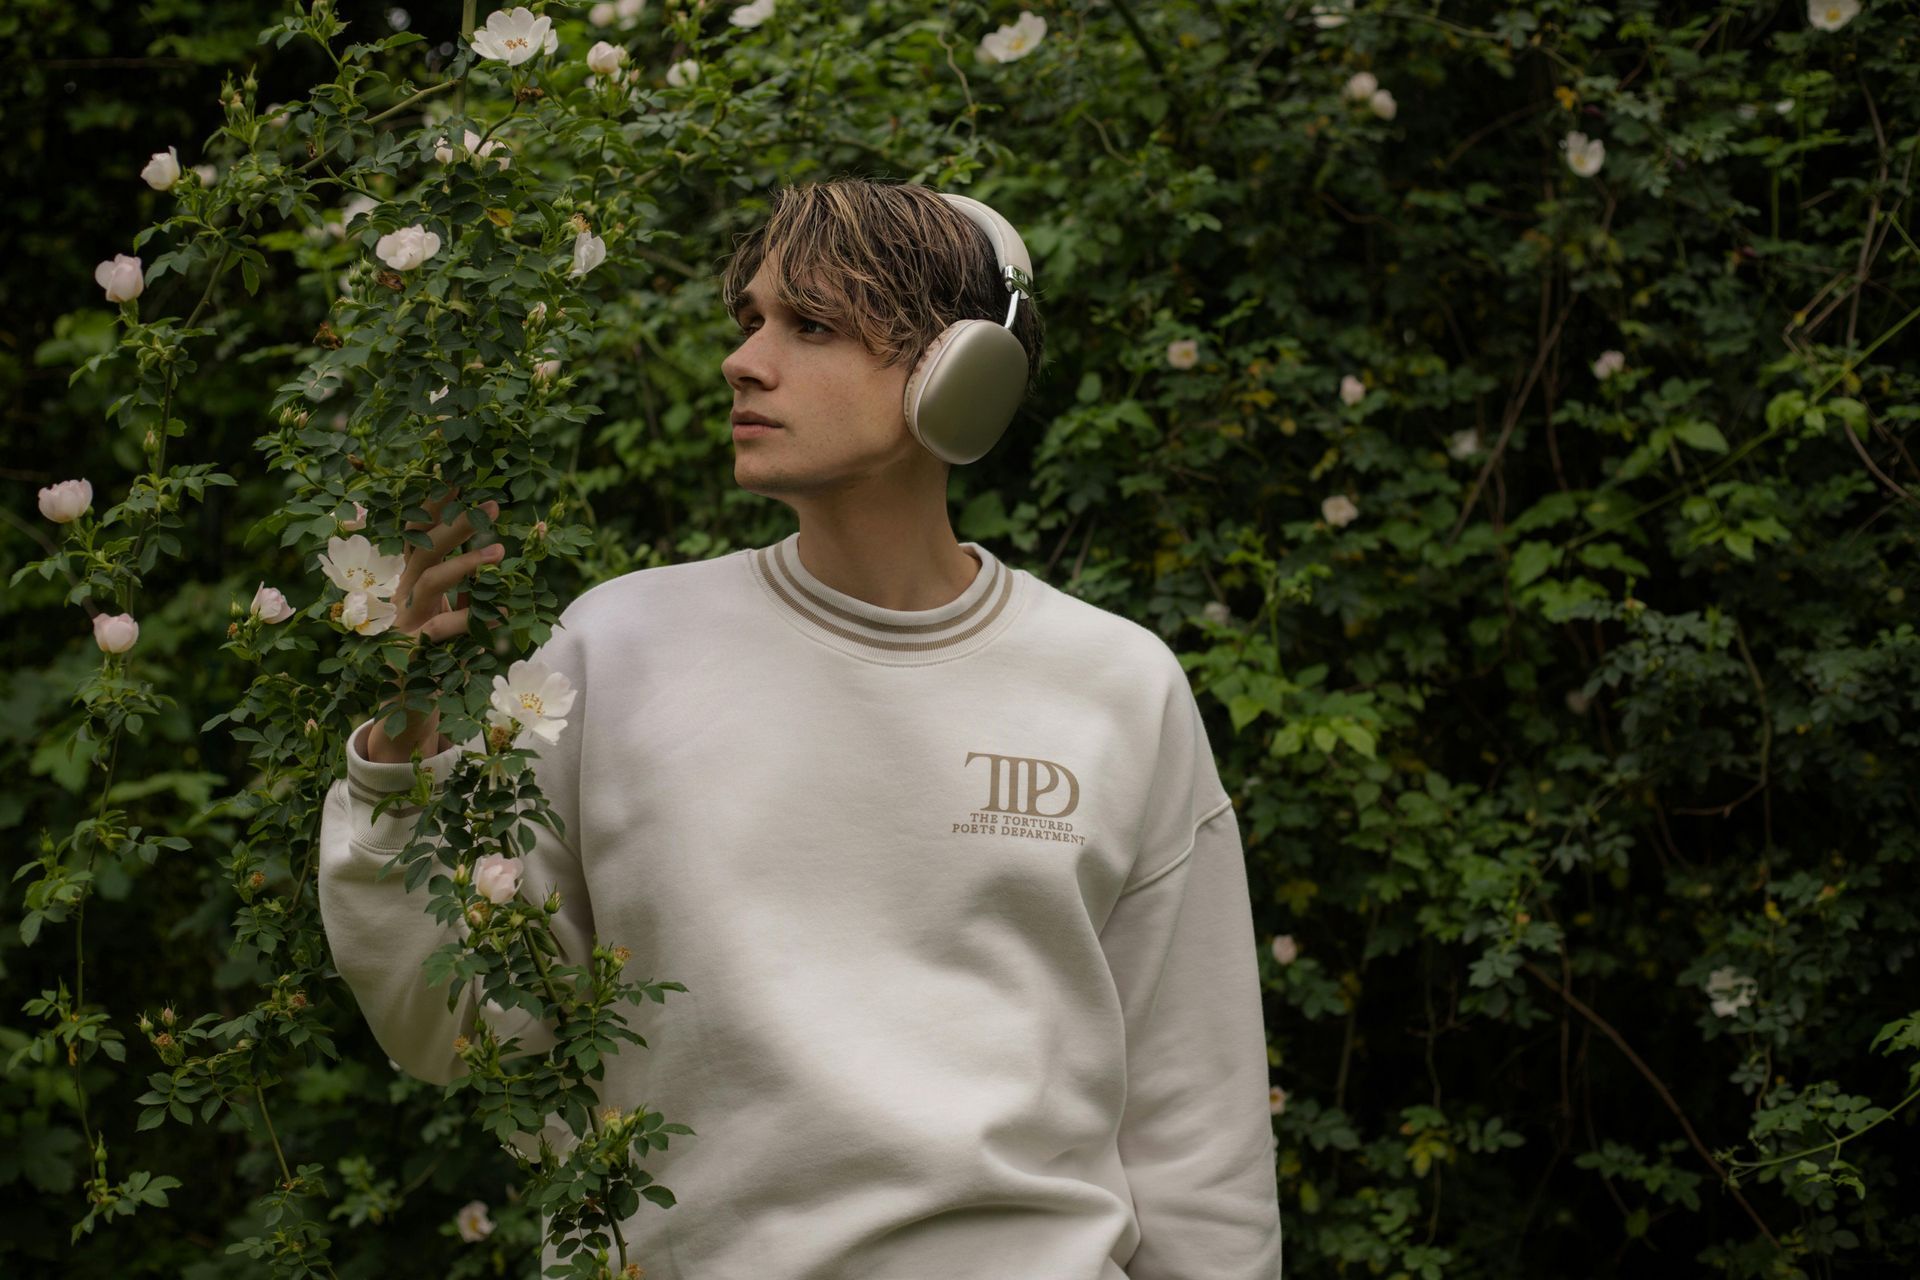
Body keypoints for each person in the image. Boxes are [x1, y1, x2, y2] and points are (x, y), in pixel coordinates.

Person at [317, 177, 1282, 1279]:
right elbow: (452, 1024)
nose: (744, 359)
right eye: (752, 321)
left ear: (960, 373)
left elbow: (1197, 1135)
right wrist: (404, 755)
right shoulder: (615, 647)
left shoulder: (1115, 685)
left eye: (811, 324)